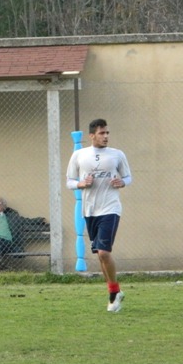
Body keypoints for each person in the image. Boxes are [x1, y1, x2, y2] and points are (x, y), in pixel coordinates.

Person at [66, 118, 132, 312]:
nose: (105, 137)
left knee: (104, 252)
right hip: (89, 210)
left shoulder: (117, 155)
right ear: (92, 135)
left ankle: (113, 293)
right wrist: (80, 184)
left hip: (110, 209)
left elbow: (128, 176)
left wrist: (123, 182)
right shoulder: (79, 155)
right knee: (100, 256)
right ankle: (115, 290)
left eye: (107, 133)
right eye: (102, 133)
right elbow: (69, 180)